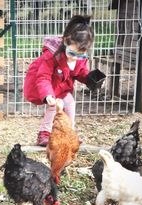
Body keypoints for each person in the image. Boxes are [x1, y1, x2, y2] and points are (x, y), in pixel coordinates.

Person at [23, 15, 95, 146]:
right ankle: (44, 133)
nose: (75, 58)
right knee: (55, 104)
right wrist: (48, 95)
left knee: (70, 104)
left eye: (81, 55)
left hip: (61, 85)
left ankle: (69, 134)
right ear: (66, 41)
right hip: (43, 83)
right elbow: (43, 77)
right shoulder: (52, 55)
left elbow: (80, 72)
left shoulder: (79, 58)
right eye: (72, 53)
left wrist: (89, 79)